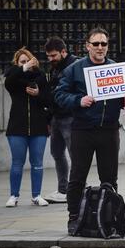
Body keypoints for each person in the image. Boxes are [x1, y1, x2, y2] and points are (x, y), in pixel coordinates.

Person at [54, 27, 124, 235]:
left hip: (109, 130)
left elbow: (122, 97)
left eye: (104, 44)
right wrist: (78, 100)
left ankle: (109, 217)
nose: (100, 48)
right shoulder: (75, 69)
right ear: (87, 46)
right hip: (83, 130)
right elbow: (58, 95)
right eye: (96, 44)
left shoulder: (115, 68)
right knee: (77, 176)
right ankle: (74, 217)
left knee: (109, 178)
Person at [4, 48, 51, 207]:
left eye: (27, 61)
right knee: (17, 162)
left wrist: (38, 94)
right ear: (17, 64)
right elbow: (8, 82)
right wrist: (22, 69)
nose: (26, 64)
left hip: (38, 127)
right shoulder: (13, 78)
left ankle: (36, 195)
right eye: (22, 62)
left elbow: (48, 100)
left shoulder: (40, 76)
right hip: (17, 127)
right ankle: (13, 195)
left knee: (37, 163)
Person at [42, 36, 79, 203]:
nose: (50, 59)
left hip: (70, 117)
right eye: (48, 56)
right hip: (56, 116)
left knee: (75, 155)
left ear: (64, 52)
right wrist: (50, 119)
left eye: (53, 55)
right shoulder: (55, 67)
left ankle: (74, 189)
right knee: (57, 153)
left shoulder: (75, 66)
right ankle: (63, 189)